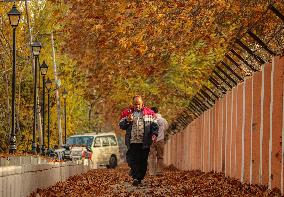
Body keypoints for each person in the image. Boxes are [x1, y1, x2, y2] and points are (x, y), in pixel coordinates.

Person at [119, 95, 159, 186]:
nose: (137, 106)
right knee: (133, 160)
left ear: (142, 103)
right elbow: (121, 125)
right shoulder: (128, 113)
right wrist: (127, 120)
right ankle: (135, 178)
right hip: (132, 141)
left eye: (138, 104)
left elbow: (155, 126)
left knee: (143, 161)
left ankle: (140, 177)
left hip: (144, 141)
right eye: (135, 104)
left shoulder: (149, 113)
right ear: (132, 104)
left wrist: (154, 134)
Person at [148, 107, 169, 176]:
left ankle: (151, 172)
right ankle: (159, 171)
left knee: (152, 156)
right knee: (160, 156)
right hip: (160, 139)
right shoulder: (163, 120)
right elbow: (166, 128)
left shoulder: (150, 119)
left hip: (152, 140)